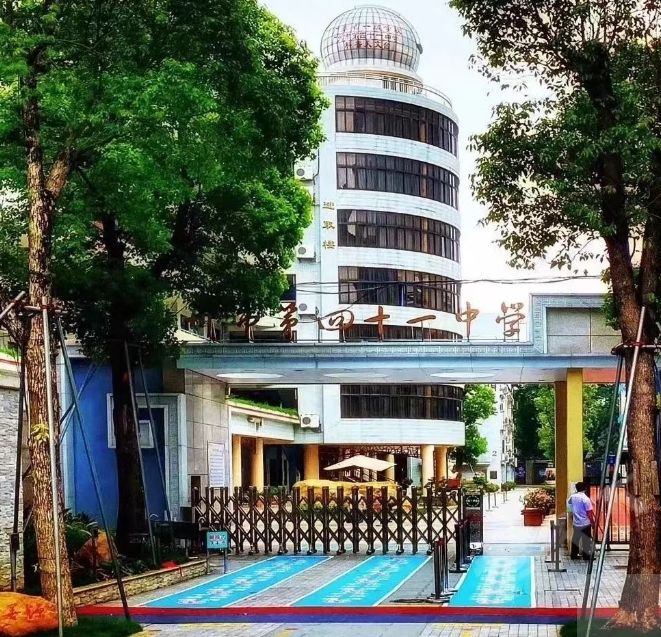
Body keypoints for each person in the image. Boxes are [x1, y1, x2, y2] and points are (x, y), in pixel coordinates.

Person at [568, 481, 595, 560]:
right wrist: (593, 523)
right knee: (586, 540)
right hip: (585, 522)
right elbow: (589, 513)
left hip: (576, 522)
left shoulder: (572, 497)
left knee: (576, 539)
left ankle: (574, 555)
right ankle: (586, 556)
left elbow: (569, 504)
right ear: (585, 488)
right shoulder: (586, 499)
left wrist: (573, 511)